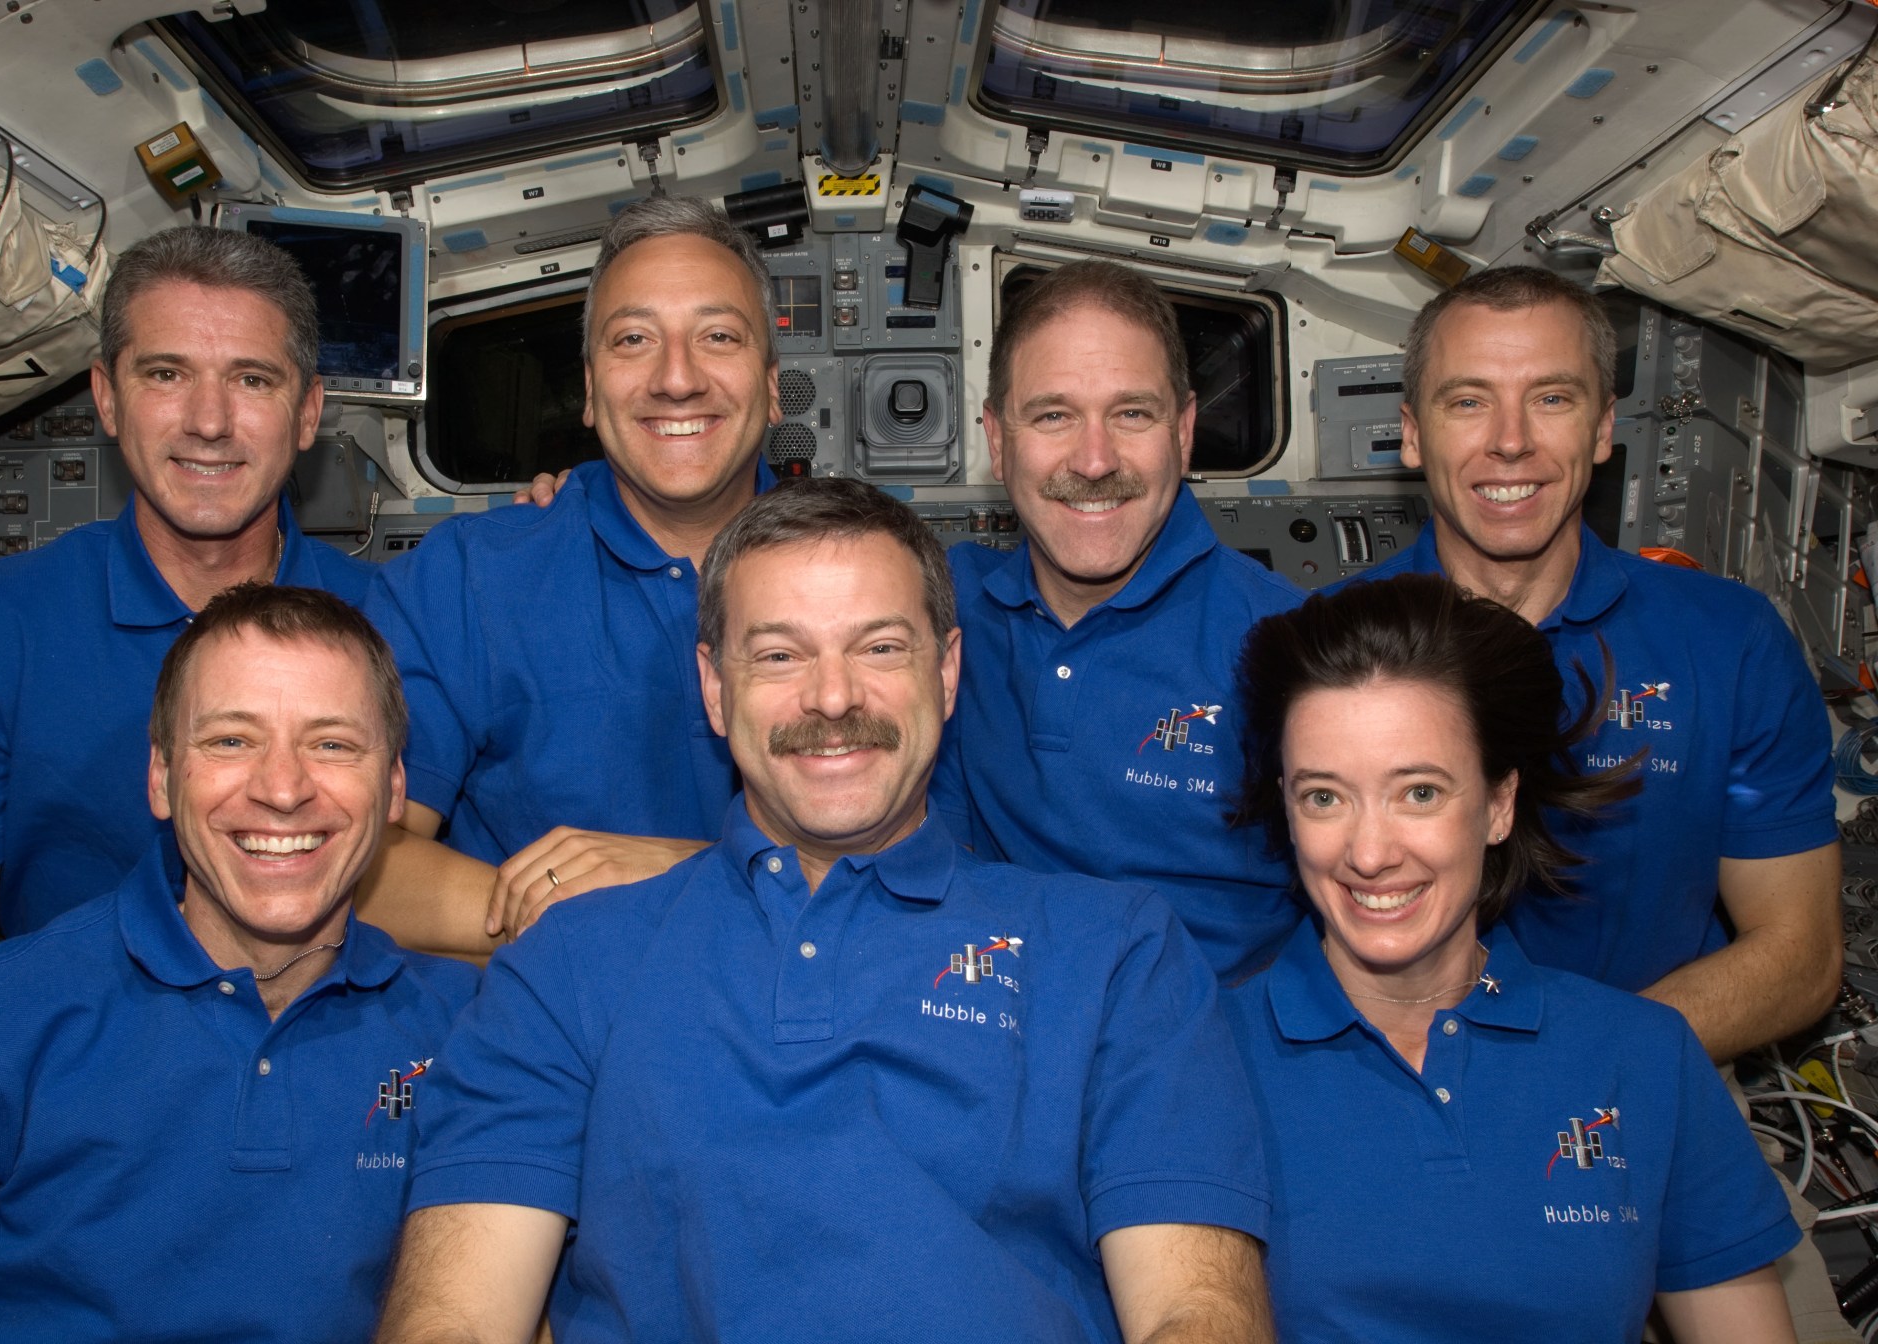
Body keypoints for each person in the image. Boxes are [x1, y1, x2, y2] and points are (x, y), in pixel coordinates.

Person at [375, 479, 1275, 1344]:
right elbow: (456, 1319)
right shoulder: (566, 964)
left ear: (949, 670)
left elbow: (1197, 1317)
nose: (834, 698)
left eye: (881, 647)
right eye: (779, 655)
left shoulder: (1117, 954)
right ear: (715, 689)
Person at [0, 584, 478, 1343]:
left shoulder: (473, 1032)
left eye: (332, 743)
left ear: (394, 786)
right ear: (161, 778)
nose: (282, 788)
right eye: (231, 740)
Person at [1225, 573, 1798, 1344]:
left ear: (1498, 805)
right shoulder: (1200, 1061)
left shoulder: (1645, 1058)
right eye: (1324, 797)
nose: (1368, 853)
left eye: (1419, 793)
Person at [0, 224, 374, 1009]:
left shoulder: (397, 622)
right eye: (167, 374)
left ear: (307, 413)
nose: (209, 421)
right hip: (69, 1089)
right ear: (107, 397)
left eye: (252, 381)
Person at [1350, 265, 1841, 1063]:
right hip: (1390, 1077)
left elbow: (1799, 953)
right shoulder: (1326, 647)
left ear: (1605, 428)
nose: (1511, 440)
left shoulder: (1728, 641)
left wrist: (1580, 1066)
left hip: (1650, 1066)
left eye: (1552, 398)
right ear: (1412, 433)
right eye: (1469, 401)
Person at [353, 194, 784, 957]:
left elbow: (932, 871)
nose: (676, 378)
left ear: (774, 384)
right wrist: (580, 912)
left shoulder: (874, 580)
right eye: (632, 339)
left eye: (718, 335)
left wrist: (685, 879)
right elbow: (363, 870)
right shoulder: (467, 579)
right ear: (588, 389)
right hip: (549, 1034)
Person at [933, 259, 1306, 981]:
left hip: (1213, 1048)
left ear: (1185, 430)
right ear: (998, 438)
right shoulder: (947, 605)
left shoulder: (1293, 647)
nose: (1095, 460)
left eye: (1132, 413)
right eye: (1053, 415)